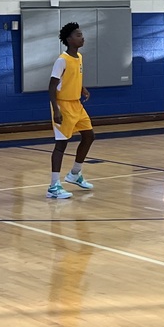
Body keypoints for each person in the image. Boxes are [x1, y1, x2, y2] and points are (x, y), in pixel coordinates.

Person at [47, 22, 95, 199]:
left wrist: (81, 88)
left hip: (77, 104)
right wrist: (56, 110)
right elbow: (52, 87)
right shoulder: (62, 60)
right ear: (69, 39)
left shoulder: (79, 57)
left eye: (82, 35)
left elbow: (71, 78)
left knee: (89, 136)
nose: (82, 37)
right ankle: (53, 186)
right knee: (61, 145)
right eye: (78, 35)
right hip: (63, 106)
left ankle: (75, 173)